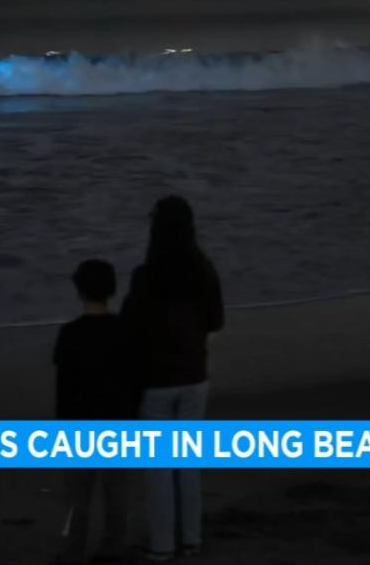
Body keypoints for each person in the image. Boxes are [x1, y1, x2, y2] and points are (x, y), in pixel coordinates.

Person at [121, 196, 224, 561]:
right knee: (189, 463)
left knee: (159, 468)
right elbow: (216, 321)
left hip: (156, 380)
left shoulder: (145, 276)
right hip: (195, 375)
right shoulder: (203, 268)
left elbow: (129, 329)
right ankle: (192, 538)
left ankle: (163, 544)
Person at [53, 259, 139, 564]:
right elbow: (133, 381)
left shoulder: (69, 335)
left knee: (77, 497)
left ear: (79, 290)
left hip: (78, 421)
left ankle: (73, 549)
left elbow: (64, 389)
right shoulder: (125, 331)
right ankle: (113, 546)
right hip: (117, 419)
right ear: (112, 290)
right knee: (116, 492)